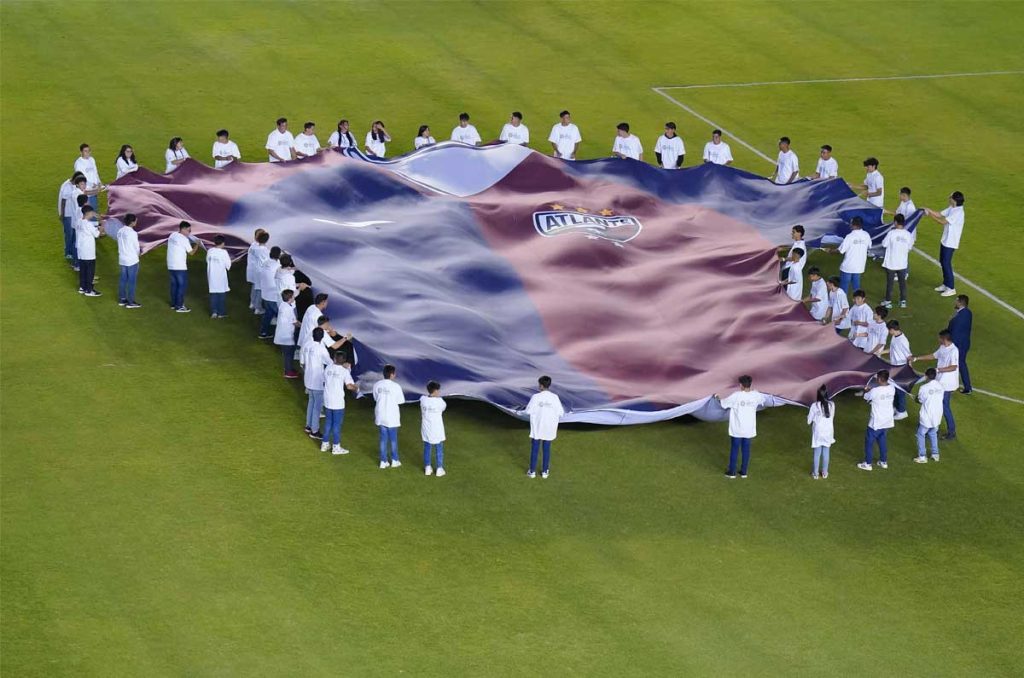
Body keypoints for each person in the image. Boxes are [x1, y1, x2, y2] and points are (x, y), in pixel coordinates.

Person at [910, 330, 959, 440]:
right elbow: (933, 356)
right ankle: (931, 429)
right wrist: (917, 358)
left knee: (944, 407)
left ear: (944, 339)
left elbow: (953, 367)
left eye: (939, 338)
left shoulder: (954, 351)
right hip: (940, 382)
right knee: (935, 405)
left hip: (947, 384)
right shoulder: (943, 347)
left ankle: (951, 432)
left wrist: (938, 369)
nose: (938, 339)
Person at [717, 375, 769, 478]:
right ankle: (744, 472)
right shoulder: (756, 395)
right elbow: (763, 399)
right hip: (749, 429)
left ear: (740, 385)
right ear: (750, 384)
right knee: (746, 450)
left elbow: (723, 404)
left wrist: (717, 397)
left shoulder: (736, 396)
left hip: (737, 428)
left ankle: (732, 472)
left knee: (735, 449)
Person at [922, 191, 966, 297]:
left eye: (950, 197)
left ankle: (951, 288)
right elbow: (939, 214)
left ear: (954, 200)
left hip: (951, 242)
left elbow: (942, 222)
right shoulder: (952, 208)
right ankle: (946, 284)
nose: (949, 198)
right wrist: (928, 210)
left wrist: (929, 215)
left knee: (946, 263)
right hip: (946, 239)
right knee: (943, 261)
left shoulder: (958, 212)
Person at [525, 375, 564, 479]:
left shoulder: (535, 397)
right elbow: (561, 412)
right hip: (549, 428)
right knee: (546, 449)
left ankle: (532, 472)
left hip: (537, 427)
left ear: (541, 386)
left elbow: (528, 411)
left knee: (535, 449)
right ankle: (545, 472)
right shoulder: (555, 397)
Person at [859, 369, 896, 471]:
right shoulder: (892, 388)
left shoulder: (875, 391)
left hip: (876, 421)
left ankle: (867, 463)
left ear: (879, 379)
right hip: (887, 420)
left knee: (869, 442)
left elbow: (866, 397)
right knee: (882, 440)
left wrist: (866, 390)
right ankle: (883, 462)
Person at [322, 352, 357, 455]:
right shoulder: (344, 371)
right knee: (336, 425)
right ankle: (336, 447)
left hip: (327, 400)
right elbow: (350, 386)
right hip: (337, 402)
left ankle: (324, 444)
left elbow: (324, 380)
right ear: (344, 360)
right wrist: (357, 388)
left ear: (334, 358)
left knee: (328, 422)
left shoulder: (328, 368)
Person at [302, 326, 333, 440]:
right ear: (322, 337)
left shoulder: (307, 346)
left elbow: (304, 362)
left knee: (311, 402)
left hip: (308, 379)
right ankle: (314, 431)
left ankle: (308, 426)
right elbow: (329, 362)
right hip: (317, 380)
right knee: (317, 407)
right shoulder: (321, 349)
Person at [373, 364, 405, 469]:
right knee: (393, 439)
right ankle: (395, 460)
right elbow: (401, 401)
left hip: (381, 414)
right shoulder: (396, 386)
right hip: (392, 416)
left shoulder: (377, 384)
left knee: (383, 439)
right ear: (392, 374)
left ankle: (383, 461)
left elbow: (375, 397)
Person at [881, 213, 915, 308]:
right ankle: (903, 301)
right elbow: (910, 247)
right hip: (902, 263)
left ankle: (888, 301)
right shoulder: (908, 234)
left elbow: (884, 244)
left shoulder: (891, 233)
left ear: (895, 222)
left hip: (891, 263)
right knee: (902, 283)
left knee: (890, 283)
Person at [883, 320, 912, 419]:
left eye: (888, 330)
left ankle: (902, 411)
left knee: (900, 390)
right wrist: (881, 352)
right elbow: (892, 349)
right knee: (894, 388)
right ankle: (896, 408)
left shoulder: (903, 340)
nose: (888, 332)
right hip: (895, 367)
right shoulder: (894, 337)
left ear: (892, 329)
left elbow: (909, 356)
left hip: (901, 367)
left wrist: (909, 369)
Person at [167, 221, 198, 312]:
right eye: (189, 230)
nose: (190, 232)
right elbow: (191, 252)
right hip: (180, 266)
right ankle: (179, 306)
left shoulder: (172, 235)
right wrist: (197, 244)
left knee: (174, 285)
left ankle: (174, 304)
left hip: (171, 265)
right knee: (181, 286)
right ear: (183, 229)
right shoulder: (184, 239)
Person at [915, 368, 944, 463]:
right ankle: (935, 454)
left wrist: (916, 399)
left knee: (920, 434)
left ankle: (922, 456)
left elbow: (920, 400)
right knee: (933, 433)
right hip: (937, 415)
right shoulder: (940, 386)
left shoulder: (923, 388)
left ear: (926, 376)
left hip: (927, 416)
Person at [836, 216, 871, 295]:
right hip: (859, 266)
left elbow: (840, 250)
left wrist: (831, 251)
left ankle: (842, 306)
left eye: (851, 223)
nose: (850, 224)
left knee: (843, 290)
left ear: (854, 225)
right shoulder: (866, 235)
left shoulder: (849, 237)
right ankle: (858, 305)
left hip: (848, 266)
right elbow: (869, 246)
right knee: (856, 288)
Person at [807, 384, 835, 479]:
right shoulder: (832, 405)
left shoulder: (814, 406)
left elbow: (808, 421)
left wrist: (814, 416)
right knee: (826, 451)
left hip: (818, 432)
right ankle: (825, 472)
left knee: (817, 452)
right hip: (828, 431)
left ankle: (815, 474)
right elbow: (831, 417)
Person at [75, 205, 104, 296]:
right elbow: (97, 234)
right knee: (90, 271)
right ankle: (89, 290)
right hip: (88, 251)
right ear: (88, 213)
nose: (93, 214)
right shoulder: (88, 224)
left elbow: (90, 227)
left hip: (81, 250)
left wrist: (97, 223)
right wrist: (102, 225)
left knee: (83, 270)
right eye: (92, 213)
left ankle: (82, 287)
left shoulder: (79, 221)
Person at [420, 381, 447, 476]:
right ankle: (439, 469)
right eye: (438, 390)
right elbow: (443, 408)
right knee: (439, 448)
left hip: (426, 428)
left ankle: (428, 467)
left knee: (427, 447)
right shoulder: (440, 402)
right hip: (437, 428)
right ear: (435, 391)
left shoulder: (423, 400)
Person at [58, 172, 86, 261]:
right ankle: (68, 252)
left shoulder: (74, 186)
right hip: (67, 213)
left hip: (73, 214)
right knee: (69, 234)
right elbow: (63, 201)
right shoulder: (66, 186)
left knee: (74, 234)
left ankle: (73, 252)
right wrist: (62, 214)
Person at [947, 294, 973, 394]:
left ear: (960, 303)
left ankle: (962, 386)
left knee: (956, 364)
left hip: (958, 344)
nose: (955, 302)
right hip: (965, 343)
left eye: (956, 301)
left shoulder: (957, 319)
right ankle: (966, 387)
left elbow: (953, 332)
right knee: (960, 363)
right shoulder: (968, 313)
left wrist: (951, 321)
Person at [116, 213, 141, 308]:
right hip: (132, 260)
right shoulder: (133, 233)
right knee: (132, 281)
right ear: (132, 222)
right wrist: (138, 254)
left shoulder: (120, 231)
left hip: (122, 258)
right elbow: (136, 247)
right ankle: (131, 302)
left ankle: (122, 299)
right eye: (135, 221)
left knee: (123, 279)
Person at [274, 289, 300, 378]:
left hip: (282, 334)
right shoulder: (288, 309)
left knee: (286, 354)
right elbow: (295, 322)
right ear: (290, 298)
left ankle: (289, 369)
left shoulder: (282, 305)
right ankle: (288, 372)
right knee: (289, 355)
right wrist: (304, 325)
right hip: (286, 336)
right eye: (293, 296)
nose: (294, 297)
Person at [258, 246, 282, 338]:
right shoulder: (277, 267)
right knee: (281, 316)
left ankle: (263, 332)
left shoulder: (265, 263)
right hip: (273, 295)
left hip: (265, 294)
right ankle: (280, 336)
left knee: (268, 314)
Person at [206, 235, 231, 319]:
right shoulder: (224, 252)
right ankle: (221, 313)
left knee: (213, 294)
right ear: (223, 243)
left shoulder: (210, 251)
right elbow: (228, 265)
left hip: (212, 276)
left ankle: (214, 312)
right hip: (220, 277)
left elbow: (207, 261)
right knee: (221, 295)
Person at [247, 230, 269, 314]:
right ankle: (258, 308)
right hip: (261, 271)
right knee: (259, 289)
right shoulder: (264, 250)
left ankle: (252, 303)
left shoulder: (254, 247)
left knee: (255, 286)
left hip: (255, 270)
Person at [74, 143, 102, 208]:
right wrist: (92, 185)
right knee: (88, 212)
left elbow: (95, 173)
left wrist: (99, 182)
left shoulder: (92, 159)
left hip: (94, 190)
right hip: (86, 192)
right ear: (81, 152)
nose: (88, 153)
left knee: (94, 209)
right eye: (85, 151)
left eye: (89, 151)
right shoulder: (78, 163)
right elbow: (81, 179)